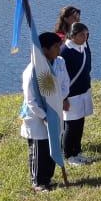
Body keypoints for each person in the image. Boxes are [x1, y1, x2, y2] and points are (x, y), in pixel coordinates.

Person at [20, 32, 70, 192]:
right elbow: (31, 100)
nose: (59, 49)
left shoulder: (58, 63)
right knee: (39, 150)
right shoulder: (32, 71)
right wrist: (45, 115)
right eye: (55, 47)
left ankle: (47, 179)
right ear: (44, 49)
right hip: (37, 119)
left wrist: (58, 100)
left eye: (59, 46)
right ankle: (37, 183)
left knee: (52, 147)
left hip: (55, 112)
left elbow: (65, 84)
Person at [60, 22, 94, 166]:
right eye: (81, 35)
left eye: (86, 34)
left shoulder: (84, 48)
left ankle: (77, 151)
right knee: (71, 125)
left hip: (83, 92)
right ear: (72, 35)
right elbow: (60, 76)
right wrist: (64, 98)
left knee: (80, 123)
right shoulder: (65, 51)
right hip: (71, 95)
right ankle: (68, 154)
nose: (85, 37)